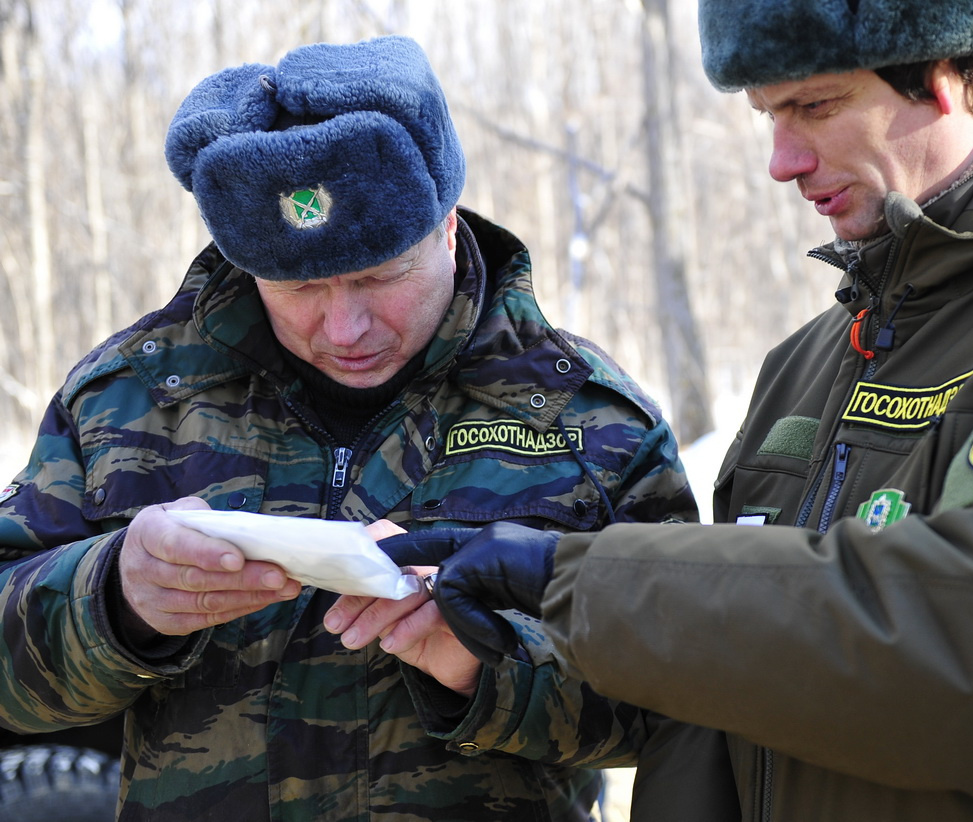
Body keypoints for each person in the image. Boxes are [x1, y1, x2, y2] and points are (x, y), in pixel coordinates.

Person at [389, 2, 973, 820]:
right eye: (767, 115)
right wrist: (494, 657)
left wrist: (579, 579)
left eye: (814, 106)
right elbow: (722, 707)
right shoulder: (807, 364)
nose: (781, 161)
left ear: (947, 73)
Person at [0, 35, 698, 822]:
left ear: (444, 225)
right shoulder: (124, 399)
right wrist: (114, 599)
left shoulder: (589, 420)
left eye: (379, 276)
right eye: (296, 288)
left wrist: (486, 667)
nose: (345, 326)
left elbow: (687, 704)